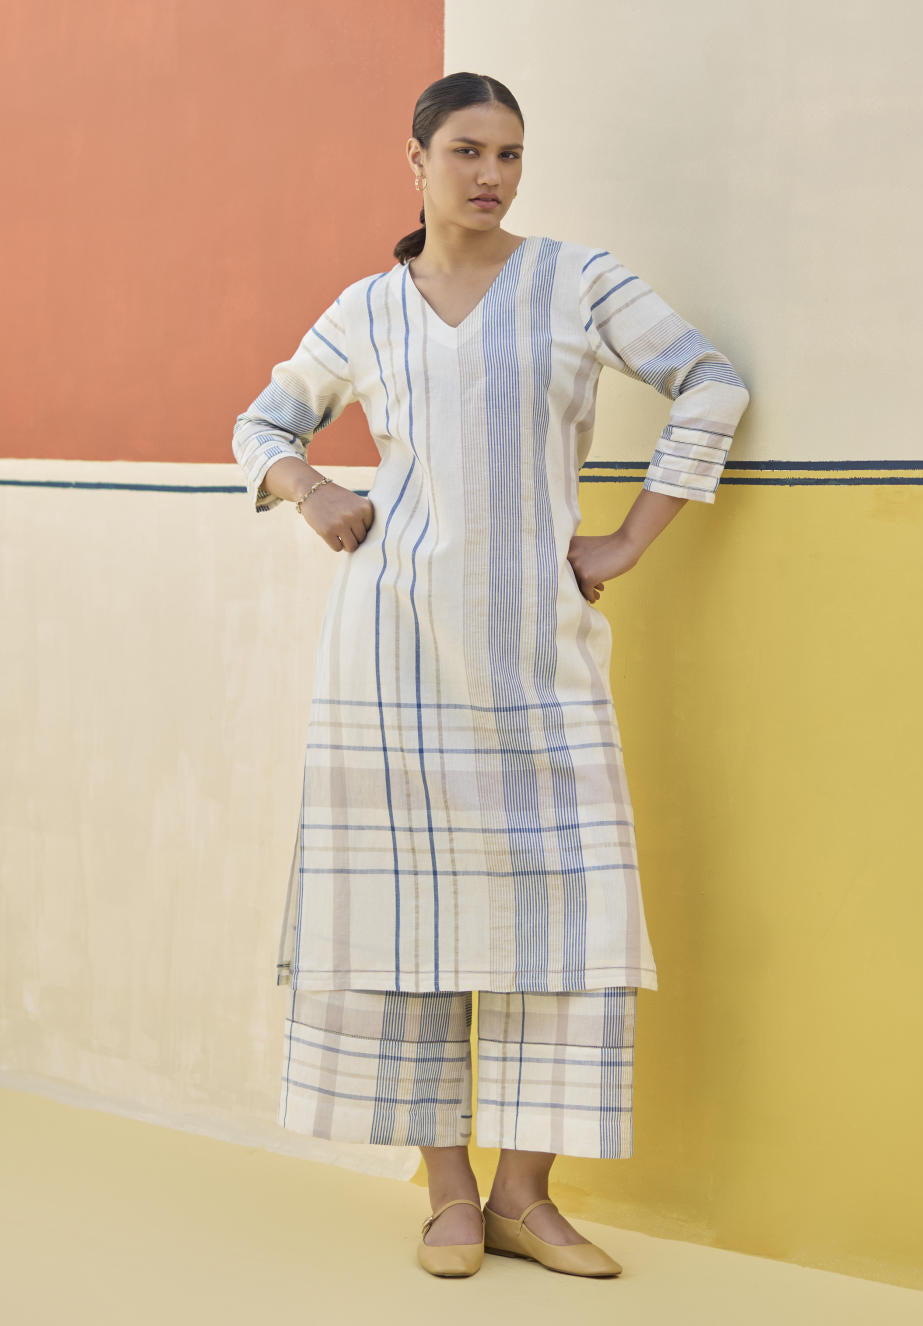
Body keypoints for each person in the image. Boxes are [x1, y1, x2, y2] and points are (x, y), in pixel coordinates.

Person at [232, 71, 750, 1279]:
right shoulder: (366, 309)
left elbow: (711, 381)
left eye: (510, 154)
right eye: (467, 150)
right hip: (389, 657)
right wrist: (312, 490)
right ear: (414, 160)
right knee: (407, 922)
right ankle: (451, 1196)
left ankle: (526, 1196)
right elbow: (262, 427)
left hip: (538, 657)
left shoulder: (579, 281)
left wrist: (630, 538)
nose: (492, 175)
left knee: (568, 920)